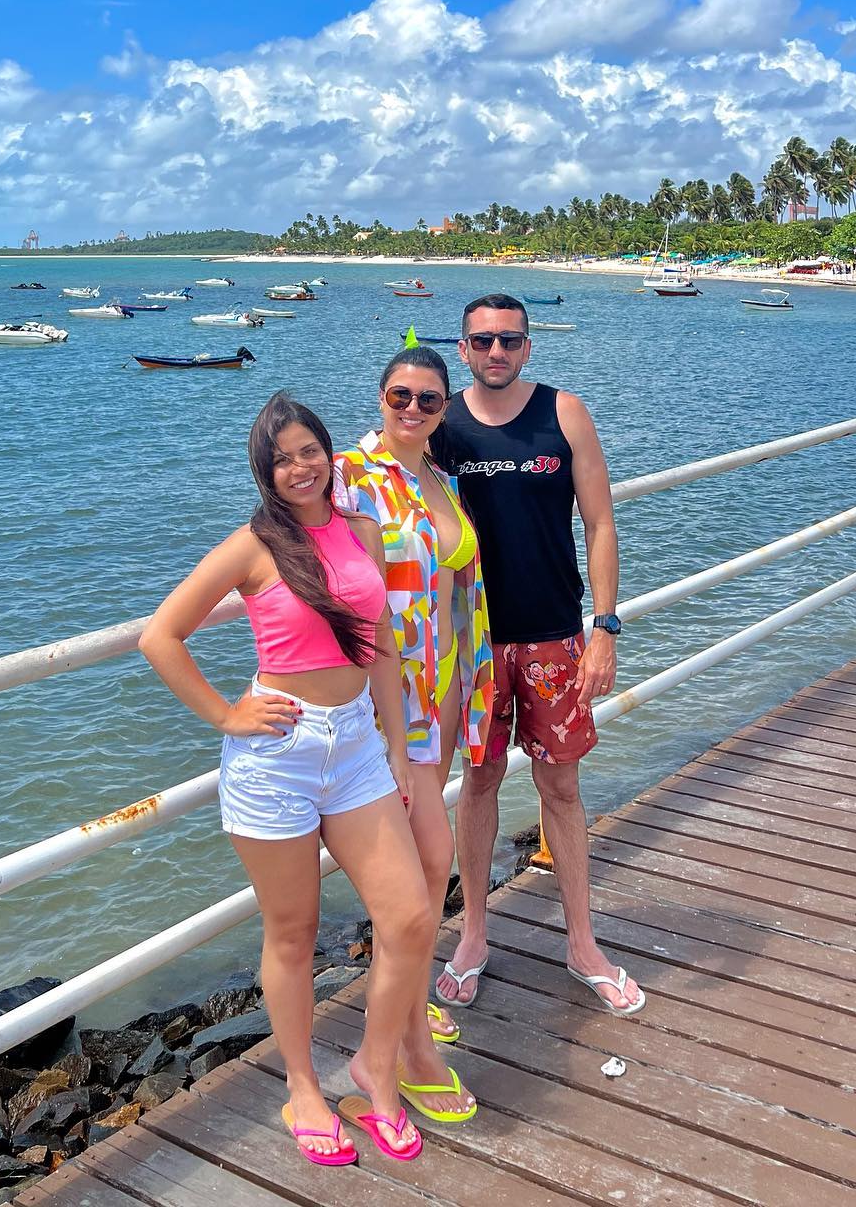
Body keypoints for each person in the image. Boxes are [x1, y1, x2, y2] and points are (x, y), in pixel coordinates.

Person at [138, 391, 432, 1168]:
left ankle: (375, 1069)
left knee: (408, 919)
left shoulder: (362, 530)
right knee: (293, 932)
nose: (299, 467)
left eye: (309, 450)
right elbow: (160, 636)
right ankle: (303, 1084)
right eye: (281, 458)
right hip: (279, 755)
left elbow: (383, 649)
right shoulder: (252, 546)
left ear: (330, 453)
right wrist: (225, 716)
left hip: (361, 749)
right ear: (263, 471)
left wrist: (398, 750)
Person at [434, 294, 645, 1018]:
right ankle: (474, 936)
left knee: (561, 790)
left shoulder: (565, 413)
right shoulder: (443, 424)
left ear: (527, 347)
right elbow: (382, 494)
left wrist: (606, 625)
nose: (497, 352)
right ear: (462, 349)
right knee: (480, 784)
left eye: (510, 340)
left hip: (557, 635)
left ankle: (583, 942)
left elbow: (601, 520)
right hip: (475, 642)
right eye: (483, 341)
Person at [335, 345, 494, 1125]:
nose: (414, 409)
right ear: (380, 394)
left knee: (431, 874)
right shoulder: (349, 475)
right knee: (421, 873)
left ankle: (398, 1015)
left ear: (443, 410)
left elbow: (455, 596)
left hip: (439, 703)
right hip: (378, 711)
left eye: (430, 400)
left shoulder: (441, 480)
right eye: (401, 394)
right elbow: (288, 547)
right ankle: (395, 1051)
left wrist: (469, 689)